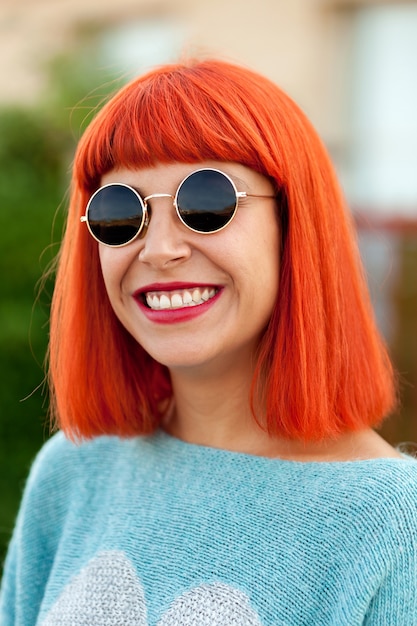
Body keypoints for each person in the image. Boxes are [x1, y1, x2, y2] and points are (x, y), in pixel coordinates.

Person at [1, 58, 416, 626]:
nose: (158, 250)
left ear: (294, 225)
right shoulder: (73, 474)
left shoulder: (393, 523)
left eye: (207, 203)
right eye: (120, 212)